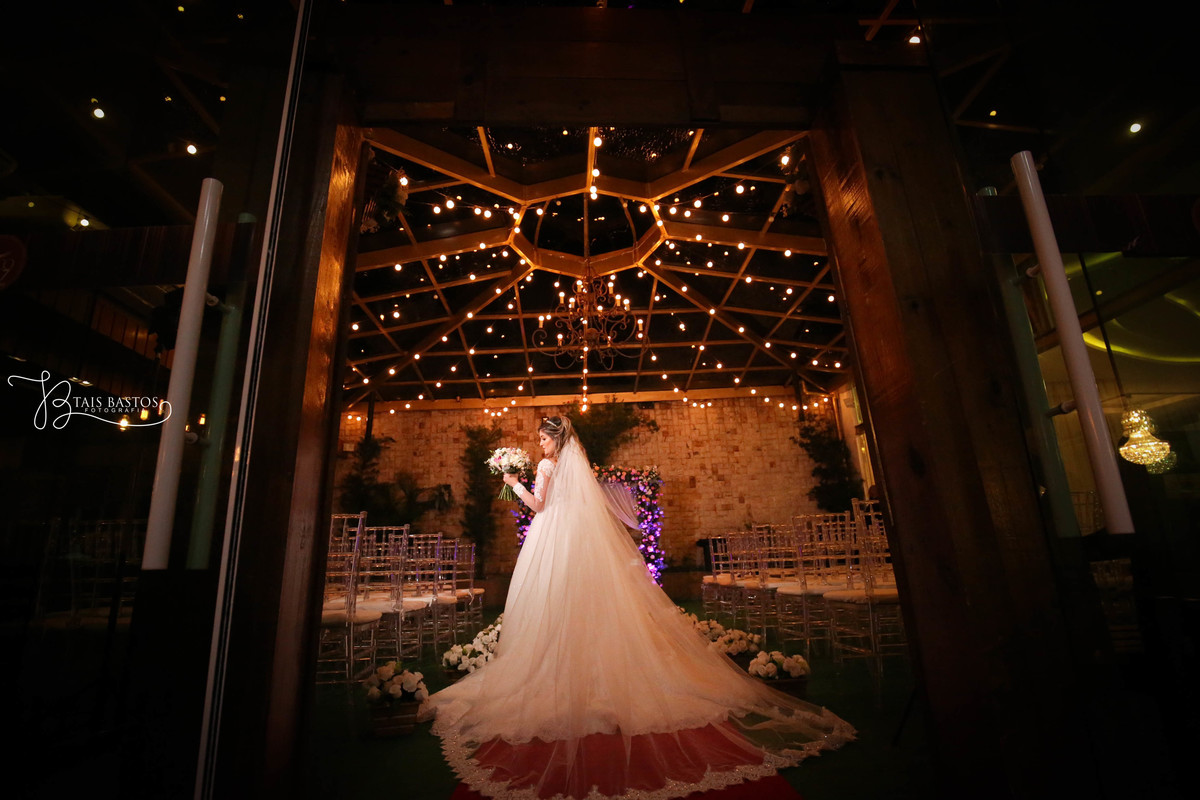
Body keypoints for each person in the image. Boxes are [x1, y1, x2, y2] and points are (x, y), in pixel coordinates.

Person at [420, 415, 854, 799]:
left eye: (544, 439)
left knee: (551, 603)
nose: (540, 445)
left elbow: (538, 506)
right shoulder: (572, 467)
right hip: (569, 541)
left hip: (551, 540)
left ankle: (564, 668)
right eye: (539, 440)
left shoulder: (548, 467)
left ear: (557, 440)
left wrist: (513, 483)